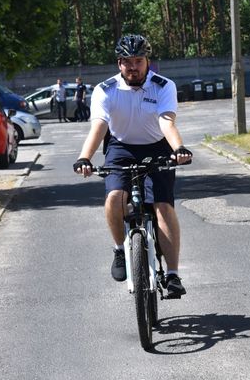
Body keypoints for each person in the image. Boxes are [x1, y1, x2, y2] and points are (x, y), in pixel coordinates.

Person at [73, 34, 193, 298]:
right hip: (121, 147)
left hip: (157, 145)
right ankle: (119, 249)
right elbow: (100, 126)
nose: (134, 67)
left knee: (162, 206)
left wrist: (178, 149)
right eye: (128, 62)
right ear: (119, 64)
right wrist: (85, 157)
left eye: (138, 61)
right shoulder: (105, 90)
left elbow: (166, 121)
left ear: (147, 61)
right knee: (115, 197)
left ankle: (172, 274)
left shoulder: (163, 86)